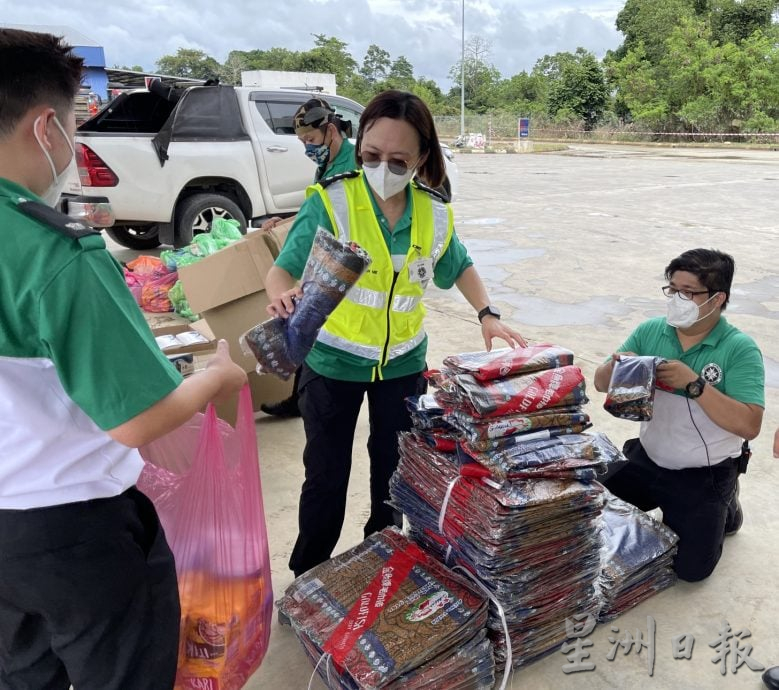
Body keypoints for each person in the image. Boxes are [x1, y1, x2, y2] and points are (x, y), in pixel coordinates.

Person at [0, 29, 247, 689]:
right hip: (70, 533)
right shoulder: (52, 253)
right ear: (46, 126)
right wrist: (216, 377)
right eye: (77, 123)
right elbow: (137, 421)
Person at [265, 89, 526, 577]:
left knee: (393, 474)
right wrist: (280, 294)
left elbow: (458, 265)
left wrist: (487, 313)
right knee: (325, 476)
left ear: (423, 157)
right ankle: (309, 572)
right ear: (358, 145)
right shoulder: (331, 201)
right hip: (332, 364)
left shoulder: (434, 212)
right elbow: (281, 271)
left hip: (403, 367)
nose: (382, 166)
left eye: (398, 159)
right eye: (371, 155)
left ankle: (383, 560)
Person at [594, 248, 764, 582]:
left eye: (688, 293)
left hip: (703, 473)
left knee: (690, 571)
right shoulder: (652, 331)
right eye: (672, 290)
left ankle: (727, 505)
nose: (676, 299)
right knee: (589, 508)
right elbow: (601, 384)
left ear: (716, 300)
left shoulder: (738, 349)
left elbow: (749, 424)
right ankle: (663, 496)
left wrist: (694, 384)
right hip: (649, 458)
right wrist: (615, 366)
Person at [260, 97, 357, 418]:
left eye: (311, 140)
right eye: (302, 142)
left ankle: (300, 399)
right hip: (323, 254)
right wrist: (287, 219)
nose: (308, 148)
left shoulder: (352, 164)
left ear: (331, 131)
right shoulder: (329, 161)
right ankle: (297, 399)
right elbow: (319, 204)